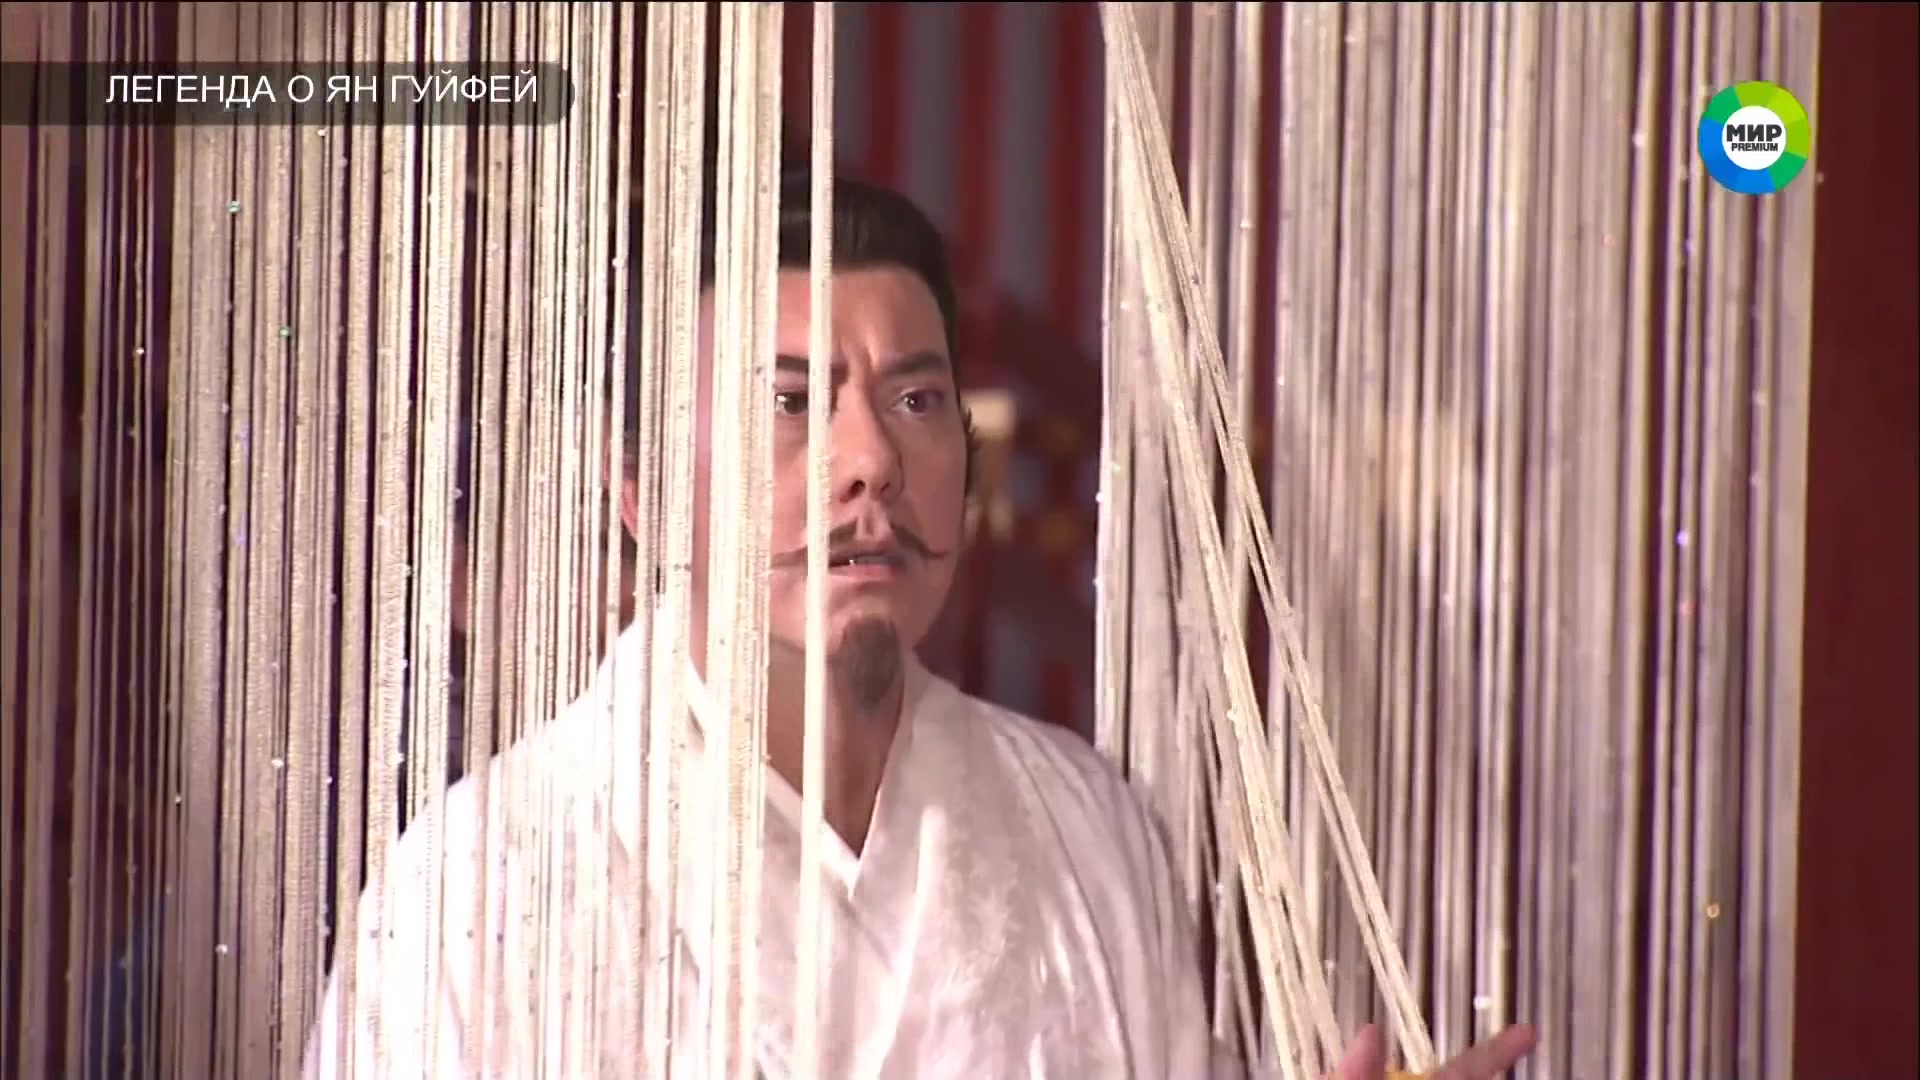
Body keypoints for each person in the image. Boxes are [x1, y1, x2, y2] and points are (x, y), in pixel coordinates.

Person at [303, 161, 1538, 1078]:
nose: (870, 463)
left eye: (915, 399)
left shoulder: (1083, 824)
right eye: (791, 400)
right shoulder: (476, 890)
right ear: (642, 491)